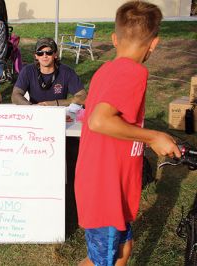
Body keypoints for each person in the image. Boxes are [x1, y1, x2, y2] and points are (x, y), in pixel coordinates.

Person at [75, 2, 181, 265]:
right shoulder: (133, 72)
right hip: (105, 190)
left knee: (123, 249)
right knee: (103, 260)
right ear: (154, 43)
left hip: (108, 185)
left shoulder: (106, 70)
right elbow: (98, 121)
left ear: (114, 38)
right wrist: (153, 136)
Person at [11, 37, 87, 106]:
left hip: (58, 113)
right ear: (36, 56)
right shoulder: (28, 71)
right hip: (34, 113)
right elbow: (15, 95)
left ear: (55, 54)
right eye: (40, 53)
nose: (45, 56)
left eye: (49, 52)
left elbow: (83, 97)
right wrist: (31, 107)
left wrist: (55, 103)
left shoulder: (67, 72)